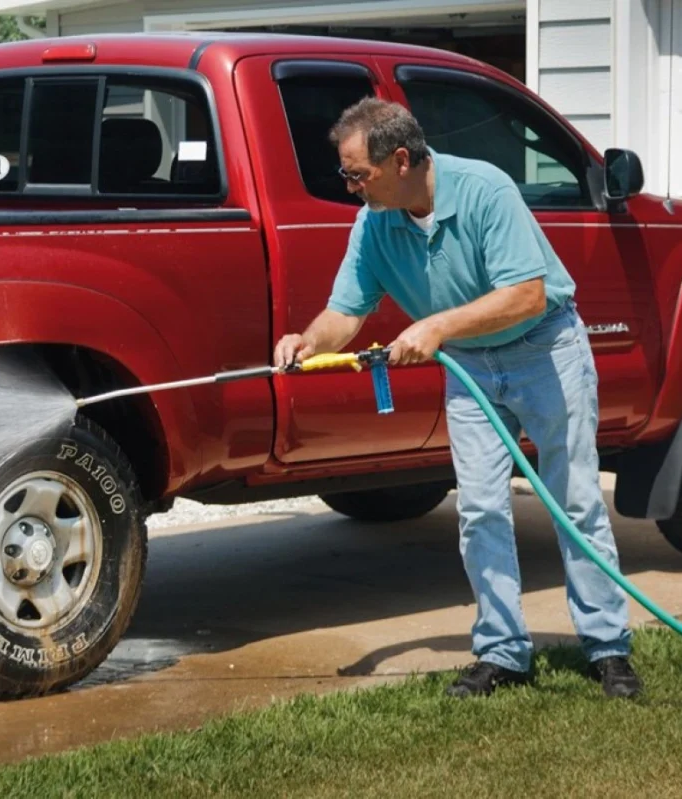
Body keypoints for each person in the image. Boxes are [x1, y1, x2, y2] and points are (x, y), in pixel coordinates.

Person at [274, 97, 642, 700]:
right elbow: (346, 311)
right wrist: (307, 342)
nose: (349, 188)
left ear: (399, 160)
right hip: (471, 367)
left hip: (544, 349)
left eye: (356, 174)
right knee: (480, 510)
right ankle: (503, 652)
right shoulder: (373, 223)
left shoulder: (485, 190)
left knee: (574, 501)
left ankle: (607, 648)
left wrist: (437, 326)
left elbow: (526, 294)